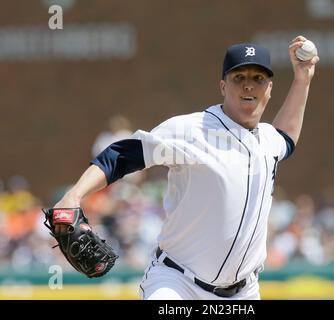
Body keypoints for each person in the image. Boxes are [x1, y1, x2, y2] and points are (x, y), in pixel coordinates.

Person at [53, 36, 319, 300]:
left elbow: (286, 137)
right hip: (177, 284)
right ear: (223, 86)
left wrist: (302, 79)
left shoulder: (268, 140)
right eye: (239, 78)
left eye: (258, 79)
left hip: (244, 292)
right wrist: (74, 195)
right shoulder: (191, 130)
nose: (249, 86)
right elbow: (121, 155)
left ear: (270, 88)